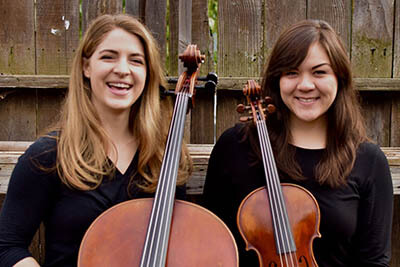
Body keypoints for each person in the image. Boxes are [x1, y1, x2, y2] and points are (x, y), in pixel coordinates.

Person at [0, 14, 191, 267]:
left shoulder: (163, 156)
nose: (122, 70)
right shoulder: (49, 155)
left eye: (136, 61)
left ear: (147, 73)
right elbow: (7, 246)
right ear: (86, 67)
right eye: (108, 57)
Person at [202, 19, 393, 266]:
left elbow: (374, 261)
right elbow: (213, 245)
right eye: (291, 72)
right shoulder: (235, 147)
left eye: (319, 72)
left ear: (340, 78)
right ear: (277, 79)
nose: (305, 85)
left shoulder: (368, 161)